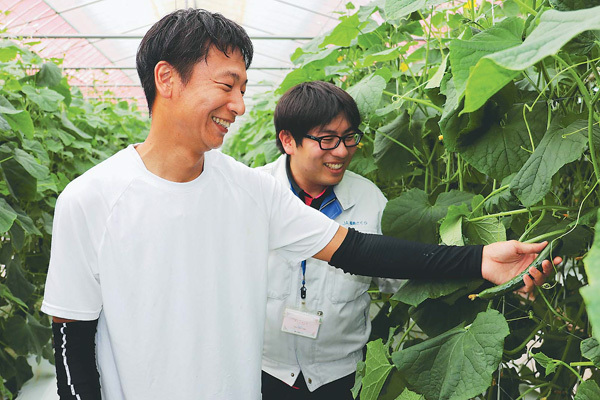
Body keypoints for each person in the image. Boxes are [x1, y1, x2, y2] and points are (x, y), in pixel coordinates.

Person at [41, 8, 559, 400]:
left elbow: (357, 251)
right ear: (166, 79)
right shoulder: (91, 199)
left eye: (243, 87)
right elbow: (71, 342)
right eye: (226, 85)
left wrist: (479, 260)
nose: (240, 106)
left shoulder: (250, 191)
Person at [259, 81, 401, 399]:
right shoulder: (255, 194)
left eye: (349, 137)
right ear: (288, 141)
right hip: (264, 370)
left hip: (341, 375)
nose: (342, 151)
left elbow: (400, 282)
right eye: (327, 140)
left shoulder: (369, 200)